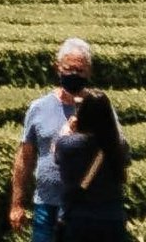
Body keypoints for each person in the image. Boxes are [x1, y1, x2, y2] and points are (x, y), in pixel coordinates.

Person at [12, 39, 96, 242]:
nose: (74, 75)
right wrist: (16, 204)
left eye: (80, 70)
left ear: (89, 72)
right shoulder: (39, 108)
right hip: (45, 205)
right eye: (69, 69)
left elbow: (112, 152)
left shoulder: (98, 108)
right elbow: (25, 157)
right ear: (57, 68)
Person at [52, 89, 129, 242]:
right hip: (112, 219)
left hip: (77, 220)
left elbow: (56, 153)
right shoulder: (119, 146)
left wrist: (68, 129)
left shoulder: (68, 144)